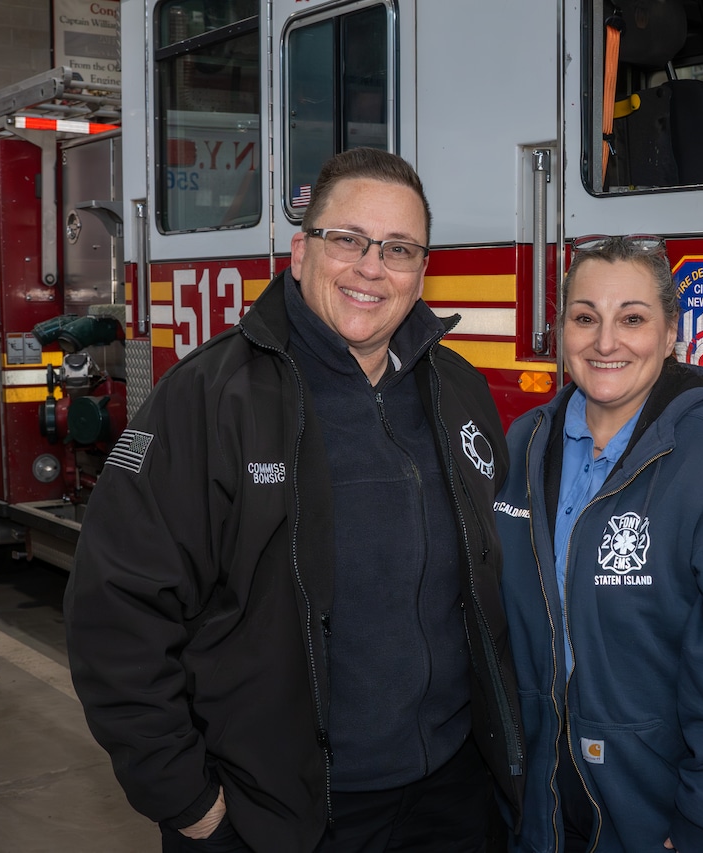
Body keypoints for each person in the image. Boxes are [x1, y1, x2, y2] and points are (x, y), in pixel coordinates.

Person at [64, 147, 524, 853]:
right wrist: (191, 803)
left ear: (422, 271)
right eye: (348, 239)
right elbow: (115, 611)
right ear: (301, 250)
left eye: (398, 248)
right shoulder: (209, 399)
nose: (372, 267)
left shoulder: (456, 388)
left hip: (449, 802)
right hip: (276, 815)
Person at [494, 234, 703, 853]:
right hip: (546, 817)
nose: (606, 342)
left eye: (632, 319)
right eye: (586, 318)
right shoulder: (524, 447)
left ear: (669, 335)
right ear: (561, 330)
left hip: (670, 824)